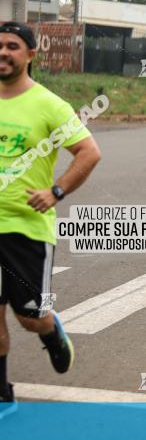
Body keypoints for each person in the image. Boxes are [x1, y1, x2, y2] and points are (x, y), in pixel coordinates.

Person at [0, 22, 102, 417]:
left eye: (13, 46)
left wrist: (56, 192)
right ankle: (3, 393)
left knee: (29, 318)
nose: (4, 52)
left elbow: (89, 152)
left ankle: (52, 330)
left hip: (26, 229)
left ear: (30, 55)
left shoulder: (49, 105)